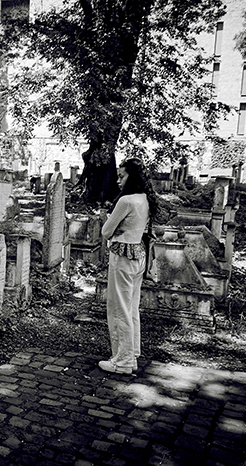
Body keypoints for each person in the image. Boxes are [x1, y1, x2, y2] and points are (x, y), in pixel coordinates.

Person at [99, 158, 157, 374]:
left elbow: (106, 231)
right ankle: (130, 356)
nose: (118, 179)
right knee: (131, 308)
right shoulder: (145, 198)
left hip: (123, 256)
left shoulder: (126, 201)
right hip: (138, 255)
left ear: (132, 176)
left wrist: (113, 228)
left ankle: (122, 362)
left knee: (119, 309)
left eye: (122, 175)